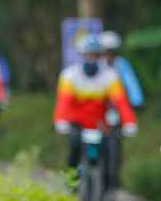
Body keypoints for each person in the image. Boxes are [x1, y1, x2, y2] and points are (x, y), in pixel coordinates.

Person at [53, 33, 138, 173]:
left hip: (100, 125)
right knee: (74, 150)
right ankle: (71, 183)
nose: (91, 59)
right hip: (77, 125)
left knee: (108, 155)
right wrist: (60, 120)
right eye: (88, 55)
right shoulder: (69, 76)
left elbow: (121, 102)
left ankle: (108, 187)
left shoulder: (110, 76)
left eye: (95, 55)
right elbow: (63, 103)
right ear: (82, 55)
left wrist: (130, 122)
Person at [97, 30, 143, 191]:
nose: (108, 56)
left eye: (111, 52)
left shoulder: (122, 65)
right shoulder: (95, 66)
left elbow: (132, 85)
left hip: (115, 110)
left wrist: (136, 101)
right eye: (105, 52)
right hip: (96, 110)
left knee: (115, 143)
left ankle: (113, 178)